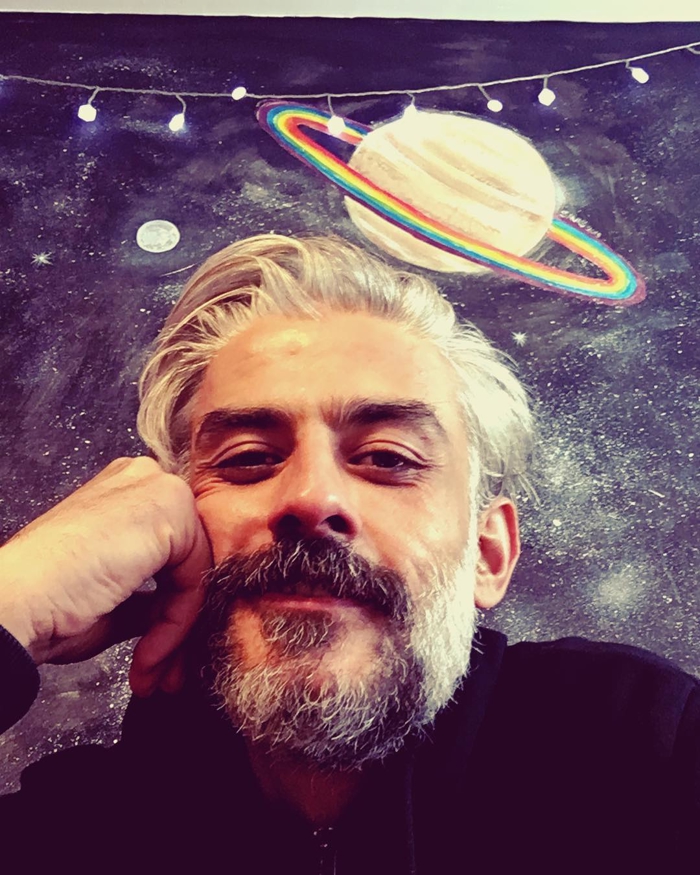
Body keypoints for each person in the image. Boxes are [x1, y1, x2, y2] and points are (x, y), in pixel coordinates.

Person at [0, 234, 698, 874]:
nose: (311, 497)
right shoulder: (76, 833)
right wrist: (14, 600)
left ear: (488, 555)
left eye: (388, 457)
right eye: (247, 458)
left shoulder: (648, 746)